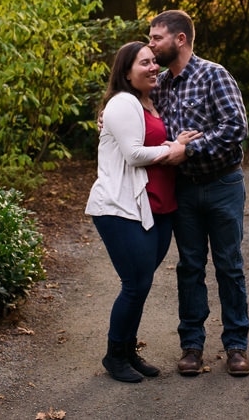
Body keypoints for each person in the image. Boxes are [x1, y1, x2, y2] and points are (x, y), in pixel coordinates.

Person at [85, 41, 202, 383]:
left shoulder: (152, 101)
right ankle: (114, 355)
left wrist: (175, 142)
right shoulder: (123, 102)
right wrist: (174, 148)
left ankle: (127, 350)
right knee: (134, 284)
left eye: (154, 62)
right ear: (125, 72)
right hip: (121, 207)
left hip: (157, 207)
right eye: (144, 63)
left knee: (142, 282)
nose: (153, 68)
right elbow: (135, 154)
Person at [148, 9, 249, 377]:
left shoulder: (213, 75)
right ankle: (191, 346)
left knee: (229, 265)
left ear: (180, 39)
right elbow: (130, 107)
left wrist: (188, 149)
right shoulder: (159, 84)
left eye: (156, 37)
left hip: (223, 185)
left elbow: (235, 128)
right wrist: (107, 116)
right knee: (190, 267)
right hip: (184, 191)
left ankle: (236, 347)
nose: (151, 44)